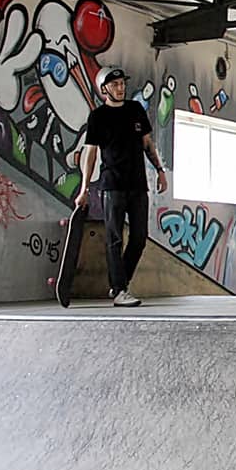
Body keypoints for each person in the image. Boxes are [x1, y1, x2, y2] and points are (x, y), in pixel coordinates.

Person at [76, 66, 168, 307]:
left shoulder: (135, 110)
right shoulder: (98, 117)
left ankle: (120, 283)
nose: (120, 88)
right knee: (114, 238)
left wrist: (160, 171)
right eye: (115, 84)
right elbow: (90, 155)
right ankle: (119, 290)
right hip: (112, 185)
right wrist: (84, 189)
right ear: (104, 89)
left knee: (139, 238)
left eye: (122, 84)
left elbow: (147, 143)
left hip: (138, 184)